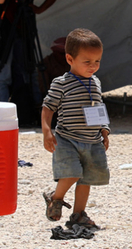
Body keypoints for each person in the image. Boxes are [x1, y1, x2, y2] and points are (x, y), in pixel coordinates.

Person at [41, 28, 110, 229]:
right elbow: (48, 107)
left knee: (86, 179)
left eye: (97, 61)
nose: (93, 66)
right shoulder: (61, 83)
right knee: (71, 173)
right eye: (87, 61)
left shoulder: (95, 82)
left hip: (92, 141)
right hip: (67, 139)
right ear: (70, 59)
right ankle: (56, 197)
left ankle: (78, 215)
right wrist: (47, 131)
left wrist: (104, 130)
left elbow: (99, 107)